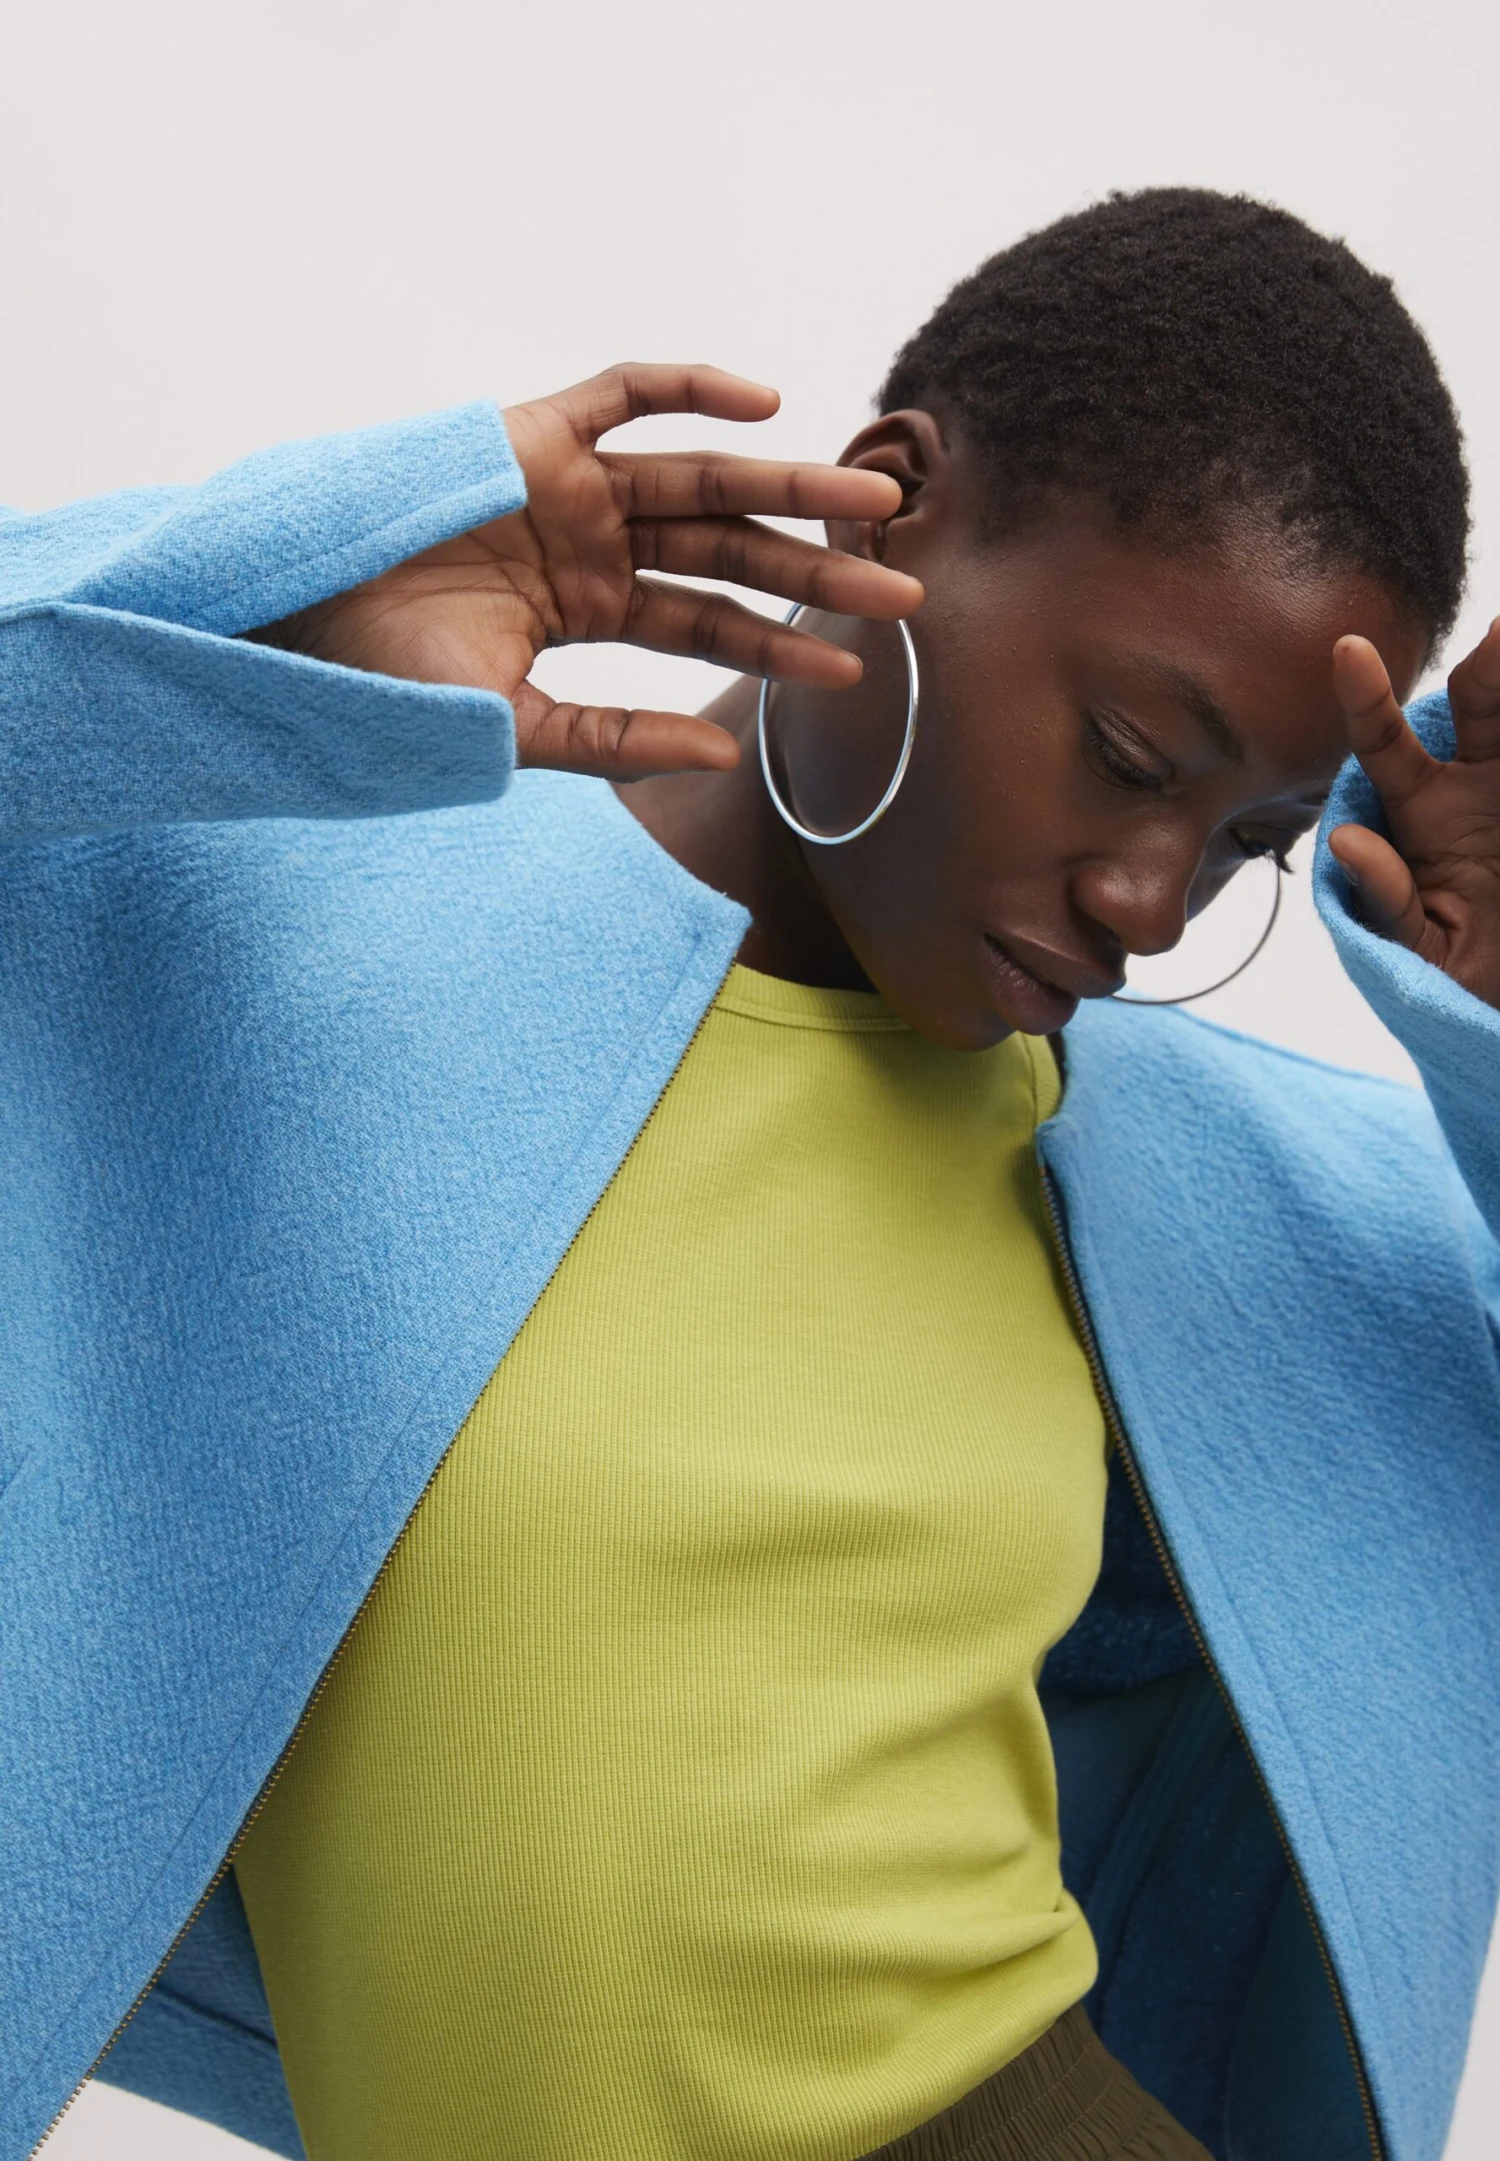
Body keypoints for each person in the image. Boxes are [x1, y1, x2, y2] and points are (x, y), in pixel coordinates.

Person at [2, 187, 1495, 2161]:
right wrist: (286, 605)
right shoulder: (279, 939)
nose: (1150, 902)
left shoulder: (1189, 1164)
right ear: (895, 508)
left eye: (1245, 843)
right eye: (1134, 753)